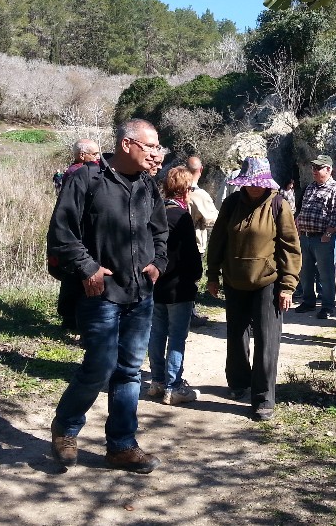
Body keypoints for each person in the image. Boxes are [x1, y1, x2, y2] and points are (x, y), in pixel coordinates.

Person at [47, 119, 168, 473]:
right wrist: (89, 268)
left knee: (130, 371)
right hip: (99, 293)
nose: (156, 153)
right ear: (127, 144)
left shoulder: (148, 185)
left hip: (140, 293)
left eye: (157, 147)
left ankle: (121, 446)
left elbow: (160, 232)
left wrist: (158, 263)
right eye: (151, 146)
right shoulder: (86, 178)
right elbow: (62, 232)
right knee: (99, 366)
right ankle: (66, 428)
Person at [205, 156, 301, 422]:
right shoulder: (232, 203)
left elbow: (290, 247)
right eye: (250, 183)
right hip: (234, 280)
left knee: (267, 339)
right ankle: (238, 382)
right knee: (236, 335)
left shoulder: (278, 205)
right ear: (243, 183)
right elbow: (218, 241)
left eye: (258, 183)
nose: (255, 187)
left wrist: (288, 285)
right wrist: (212, 275)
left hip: (267, 282)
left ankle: (263, 398)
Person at [147, 165, 203, 406]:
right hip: (179, 286)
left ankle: (157, 381)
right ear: (184, 190)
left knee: (157, 334)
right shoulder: (182, 216)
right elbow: (190, 254)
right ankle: (174, 386)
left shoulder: (154, 210)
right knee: (177, 336)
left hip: (155, 283)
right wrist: (197, 276)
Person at [293, 154, 336, 320]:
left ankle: (327, 306)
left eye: (318, 168)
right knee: (305, 272)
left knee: (326, 274)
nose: (314, 171)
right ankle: (308, 302)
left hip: (323, 238)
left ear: (328, 169)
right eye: (313, 168)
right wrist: (299, 225)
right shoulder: (310, 187)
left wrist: (328, 234)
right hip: (305, 237)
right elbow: (302, 209)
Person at [186, 155, 218, 327]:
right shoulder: (198, 194)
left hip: (176, 243)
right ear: (201, 170)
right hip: (195, 243)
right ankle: (190, 315)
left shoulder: (177, 188)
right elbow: (214, 218)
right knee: (192, 280)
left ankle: (188, 313)